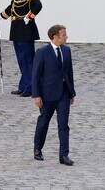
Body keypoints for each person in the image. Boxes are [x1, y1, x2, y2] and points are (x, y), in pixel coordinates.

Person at [0, 0, 42, 97]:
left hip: (26, 29)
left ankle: (31, 87)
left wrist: (29, 17)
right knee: (21, 59)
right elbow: (12, 7)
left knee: (28, 59)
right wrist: (2, 15)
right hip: (16, 28)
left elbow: (37, 6)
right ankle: (23, 85)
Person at [31, 24, 76, 165]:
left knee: (63, 125)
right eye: (64, 35)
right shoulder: (42, 52)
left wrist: (71, 93)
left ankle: (64, 155)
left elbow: (69, 73)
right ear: (55, 37)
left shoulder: (67, 51)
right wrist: (36, 95)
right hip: (47, 94)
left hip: (63, 93)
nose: (66, 37)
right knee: (44, 122)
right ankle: (38, 148)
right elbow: (35, 75)